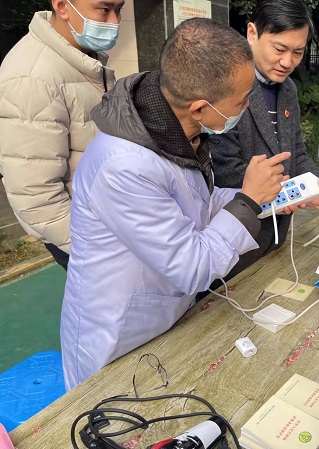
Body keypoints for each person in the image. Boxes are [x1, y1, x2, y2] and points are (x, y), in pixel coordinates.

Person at [61, 18, 291, 389]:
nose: (247, 106)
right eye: (240, 100)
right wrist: (248, 201)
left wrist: (266, 197)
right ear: (199, 108)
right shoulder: (124, 166)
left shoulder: (175, 129)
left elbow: (198, 205)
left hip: (165, 317)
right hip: (120, 334)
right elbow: (192, 266)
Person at [209, 0, 319, 280]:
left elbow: (296, 153)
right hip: (233, 236)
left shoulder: (287, 89)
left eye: (298, 52)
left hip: (275, 238)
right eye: (279, 49)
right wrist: (288, 191)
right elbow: (224, 169)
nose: (287, 62)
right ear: (252, 33)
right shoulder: (224, 85)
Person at [0, 0, 123, 270]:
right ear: (62, 6)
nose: (115, 22)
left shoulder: (82, 58)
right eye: (104, 9)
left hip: (105, 220)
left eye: (119, 9)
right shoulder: (33, 76)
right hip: (85, 237)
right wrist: (97, 250)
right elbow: (35, 195)